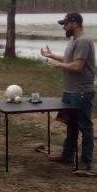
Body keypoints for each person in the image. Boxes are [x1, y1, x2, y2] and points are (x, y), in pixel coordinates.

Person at [41, 12, 95, 171]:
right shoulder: (74, 40)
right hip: (70, 92)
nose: (64, 27)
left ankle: (86, 162)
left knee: (85, 127)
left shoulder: (84, 41)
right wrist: (52, 56)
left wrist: (56, 65)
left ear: (75, 23)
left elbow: (77, 67)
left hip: (81, 92)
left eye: (66, 24)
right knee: (71, 125)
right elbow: (69, 61)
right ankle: (67, 156)